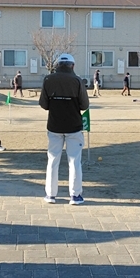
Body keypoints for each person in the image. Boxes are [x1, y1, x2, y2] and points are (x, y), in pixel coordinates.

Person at [39, 53, 89, 205]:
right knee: (74, 161)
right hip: (73, 126)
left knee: (52, 160)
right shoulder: (77, 80)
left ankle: (50, 194)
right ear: (72, 65)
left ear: (57, 65)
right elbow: (84, 105)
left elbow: (43, 104)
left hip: (54, 125)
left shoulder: (48, 79)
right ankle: (75, 195)